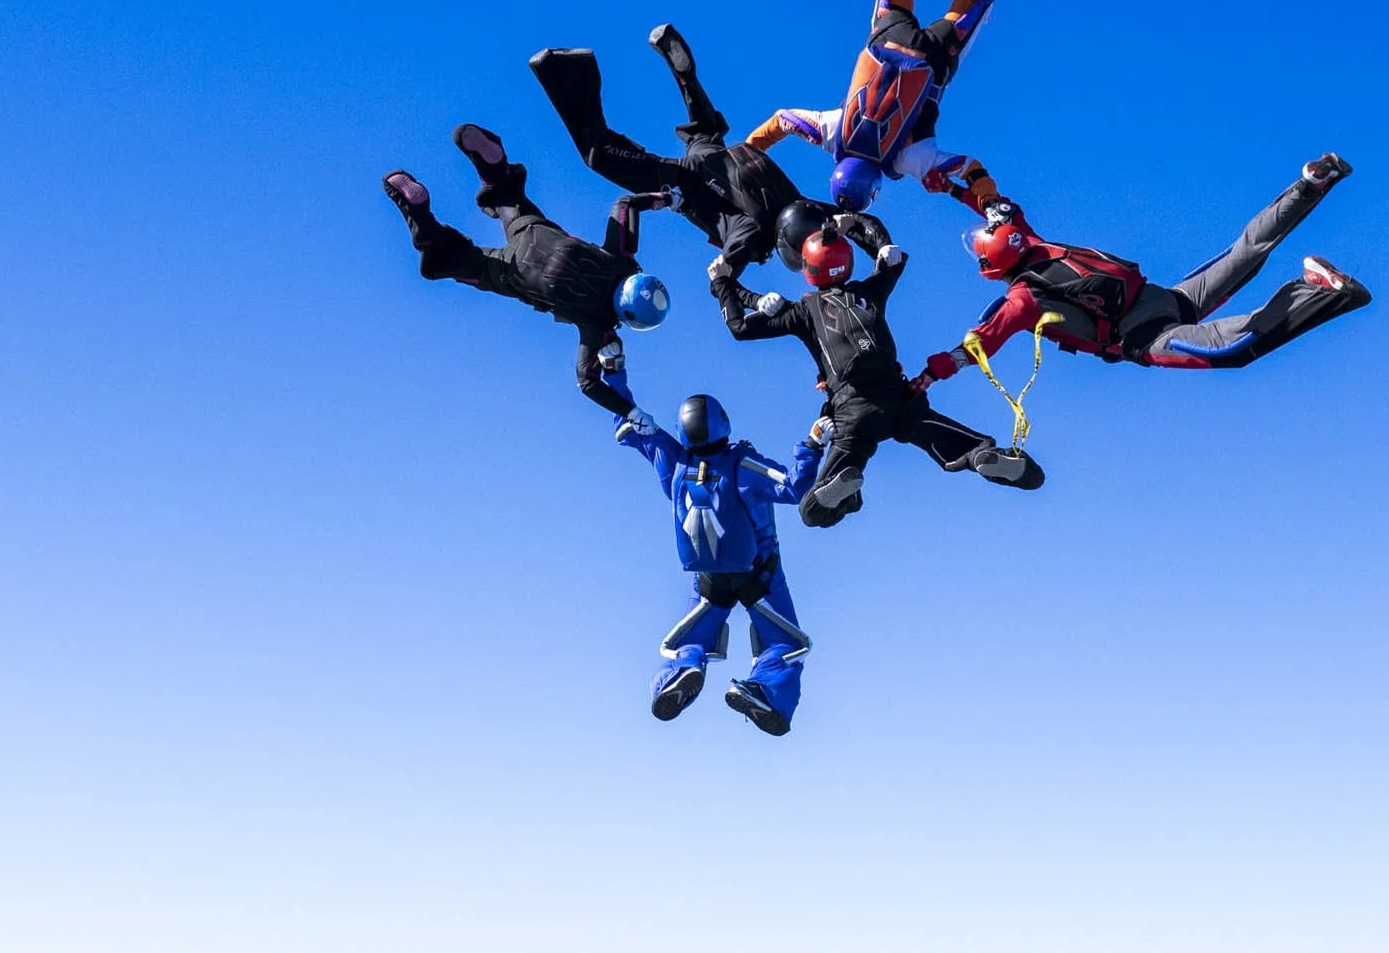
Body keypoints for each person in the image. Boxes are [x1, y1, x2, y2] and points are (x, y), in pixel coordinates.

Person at [915, 155, 1370, 385]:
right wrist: (952, 185)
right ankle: (1312, 183)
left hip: (1144, 336)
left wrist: (931, 375)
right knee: (1247, 249)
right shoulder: (1023, 232)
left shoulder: (1019, 300)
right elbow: (983, 183)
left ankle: (1315, 289)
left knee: (1232, 350)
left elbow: (979, 343)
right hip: (1164, 298)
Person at [711, 212, 1041, 527]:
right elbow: (891, 253)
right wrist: (856, 224)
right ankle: (979, 456)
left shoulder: (802, 311)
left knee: (812, 512)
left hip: (853, 413)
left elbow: (739, 327)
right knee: (954, 443)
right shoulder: (871, 290)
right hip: (900, 399)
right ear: (847, 261)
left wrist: (726, 285)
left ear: (808, 269)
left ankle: (848, 494)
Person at [745, 0, 1003, 218]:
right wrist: (748, 152)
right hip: (886, 41)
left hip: (932, 61)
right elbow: (782, 120)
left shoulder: (909, 159)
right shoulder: (831, 131)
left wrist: (989, 200)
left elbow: (970, 167)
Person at [382, 122, 670, 413]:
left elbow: (625, 205)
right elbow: (587, 382)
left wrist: (667, 199)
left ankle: (491, 164)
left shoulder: (622, 260)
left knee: (506, 194)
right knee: (449, 262)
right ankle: (421, 217)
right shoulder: (600, 325)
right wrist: (631, 412)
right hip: (514, 271)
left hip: (534, 233)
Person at [612, 384, 824, 735]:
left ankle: (683, 670)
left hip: (707, 578)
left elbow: (625, 418)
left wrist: (612, 368)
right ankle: (764, 691)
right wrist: (813, 445)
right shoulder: (742, 463)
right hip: (760, 573)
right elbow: (793, 486)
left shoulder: (673, 458)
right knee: (784, 644)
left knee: (692, 640)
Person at [530, 24, 812, 275]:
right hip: (686, 181)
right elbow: (733, 256)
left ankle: (686, 77)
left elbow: (839, 216)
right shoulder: (756, 237)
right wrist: (726, 279)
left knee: (703, 130)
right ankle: (565, 69)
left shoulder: (799, 204)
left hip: (719, 158)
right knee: (599, 157)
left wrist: (852, 224)